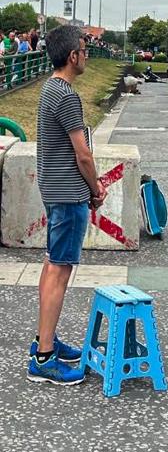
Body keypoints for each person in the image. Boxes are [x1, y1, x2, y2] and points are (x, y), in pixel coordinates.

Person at [27, 25, 107, 386]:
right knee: (60, 271)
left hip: (53, 189)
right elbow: (84, 155)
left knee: (51, 265)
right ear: (73, 56)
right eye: (84, 50)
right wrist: (97, 188)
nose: (86, 55)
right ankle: (44, 357)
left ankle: (46, 337)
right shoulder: (68, 97)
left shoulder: (50, 88)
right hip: (69, 194)